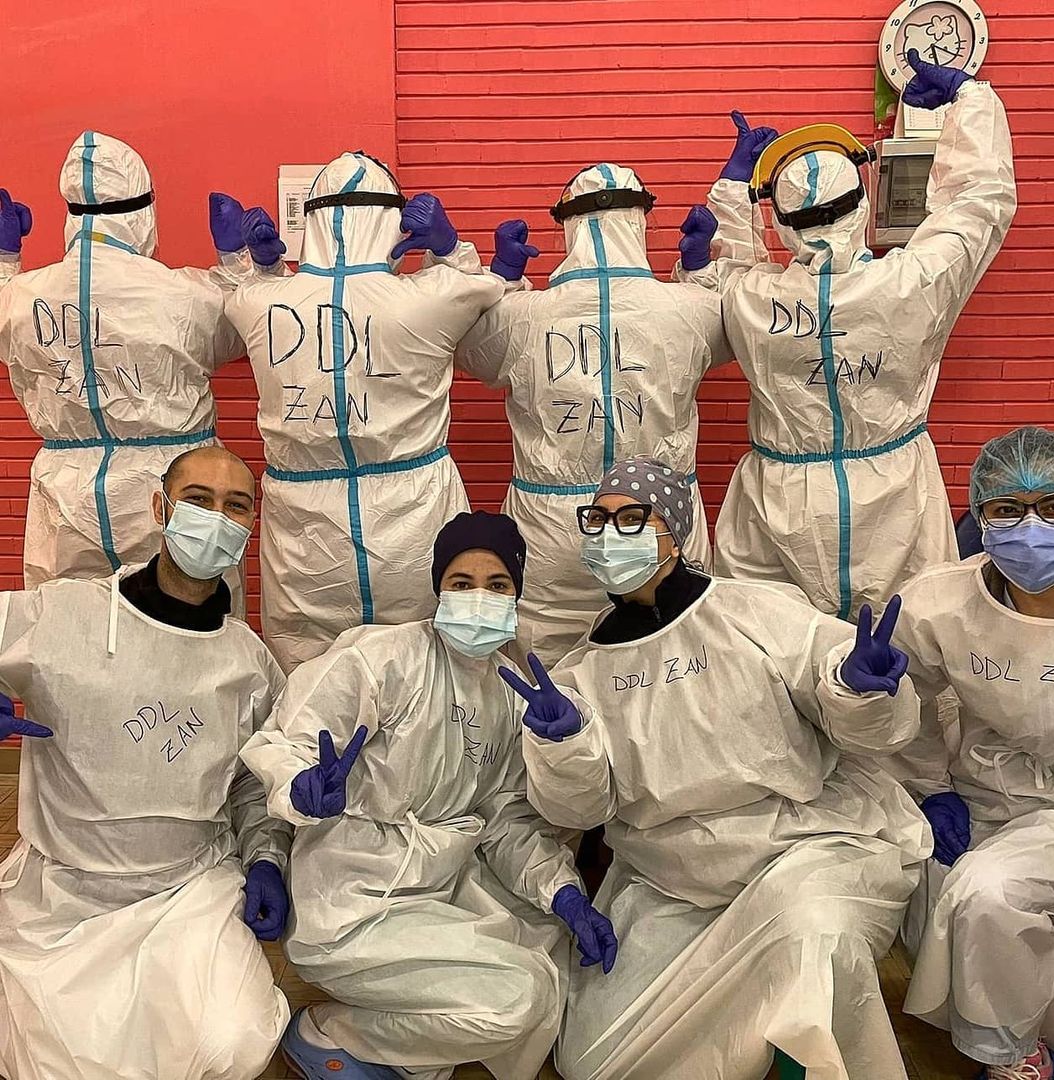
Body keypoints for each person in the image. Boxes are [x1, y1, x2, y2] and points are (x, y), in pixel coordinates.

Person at [498, 456, 931, 1080]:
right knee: (593, 1060)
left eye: (631, 518)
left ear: (674, 534)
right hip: (671, 881)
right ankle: (768, 1037)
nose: (609, 534)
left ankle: (805, 1057)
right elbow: (580, 810)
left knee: (810, 939)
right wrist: (565, 746)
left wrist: (857, 688)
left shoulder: (754, 611)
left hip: (804, 845)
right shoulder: (579, 674)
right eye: (598, 519)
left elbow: (857, 715)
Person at [241, 510, 614, 1080]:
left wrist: (564, 894)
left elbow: (506, 822)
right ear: (438, 587)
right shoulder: (381, 658)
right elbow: (287, 743)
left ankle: (412, 1055)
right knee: (519, 999)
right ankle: (329, 1032)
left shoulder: (510, 693)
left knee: (552, 968)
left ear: (518, 596)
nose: (478, 599)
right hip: (352, 895)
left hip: (440, 880)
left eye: (497, 585)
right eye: (462, 583)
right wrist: (301, 789)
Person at [677, 51, 1017, 622]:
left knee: (773, 644)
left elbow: (714, 277)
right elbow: (979, 204)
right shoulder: (913, 281)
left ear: (783, 223)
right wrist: (970, 100)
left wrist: (733, 192)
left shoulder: (750, 297)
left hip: (779, 498)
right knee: (906, 640)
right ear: (862, 203)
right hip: (896, 496)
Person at [0, 444, 291, 1080]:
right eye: (198, 500)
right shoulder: (61, 614)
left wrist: (267, 858)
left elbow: (252, 785)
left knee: (233, 1043)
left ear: (251, 526)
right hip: (64, 895)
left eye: (236, 506)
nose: (216, 519)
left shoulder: (249, 662)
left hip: (188, 891)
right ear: (161, 508)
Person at [455, 119, 776, 666]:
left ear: (566, 227)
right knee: (668, 656)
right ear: (641, 222)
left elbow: (462, 342)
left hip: (551, 526)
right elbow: (747, 313)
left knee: (549, 665)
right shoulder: (687, 310)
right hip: (657, 521)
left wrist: (503, 278)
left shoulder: (521, 317)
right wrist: (702, 264)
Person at [225, 152, 505, 672]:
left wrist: (265, 268)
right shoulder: (427, 299)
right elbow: (488, 290)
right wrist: (448, 248)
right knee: (427, 662)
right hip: (412, 512)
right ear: (392, 223)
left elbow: (238, 296)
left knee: (306, 670)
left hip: (305, 528)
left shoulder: (258, 301)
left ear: (310, 221)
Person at [0, 131, 268, 611]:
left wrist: (5, 262)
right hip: (170, 485)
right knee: (188, 621)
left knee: (65, 623)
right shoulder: (184, 295)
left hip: (67, 491)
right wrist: (238, 263)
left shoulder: (21, 297)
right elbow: (247, 325)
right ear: (144, 209)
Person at [890, 426, 1054, 1080]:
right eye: (1007, 509)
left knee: (986, 895)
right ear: (978, 516)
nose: (1032, 528)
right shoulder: (940, 601)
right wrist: (929, 787)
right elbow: (908, 699)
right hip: (981, 791)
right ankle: (1046, 1016)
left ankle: (1014, 1056)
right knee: (926, 899)